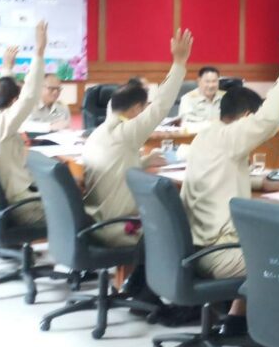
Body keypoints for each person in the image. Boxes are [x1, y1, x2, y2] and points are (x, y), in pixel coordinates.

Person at [181, 31, 279, 331]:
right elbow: (268, 119)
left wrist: (261, 184)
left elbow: (220, 173)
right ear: (247, 116)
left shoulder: (207, 136)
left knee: (265, 240)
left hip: (196, 246)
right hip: (217, 253)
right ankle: (270, 328)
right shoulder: (231, 137)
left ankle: (238, 319)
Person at [81, 29, 194, 247]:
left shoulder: (98, 133)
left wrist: (144, 162)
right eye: (143, 109)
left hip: (95, 222)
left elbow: (114, 168)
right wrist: (179, 63)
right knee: (181, 228)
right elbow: (161, 106)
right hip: (117, 227)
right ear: (135, 109)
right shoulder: (124, 133)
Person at [0, 22, 48, 226]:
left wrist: (7, 68)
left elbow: (5, 92)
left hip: (0, 203)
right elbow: (29, 96)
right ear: (15, 101)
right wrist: (39, 52)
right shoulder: (4, 125)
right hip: (20, 206)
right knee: (76, 205)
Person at [178, 66, 224, 131]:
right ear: (199, 81)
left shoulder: (225, 97)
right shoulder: (188, 98)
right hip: (196, 134)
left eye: (214, 81)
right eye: (207, 81)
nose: (211, 85)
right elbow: (186, 121)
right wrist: (210, 123)